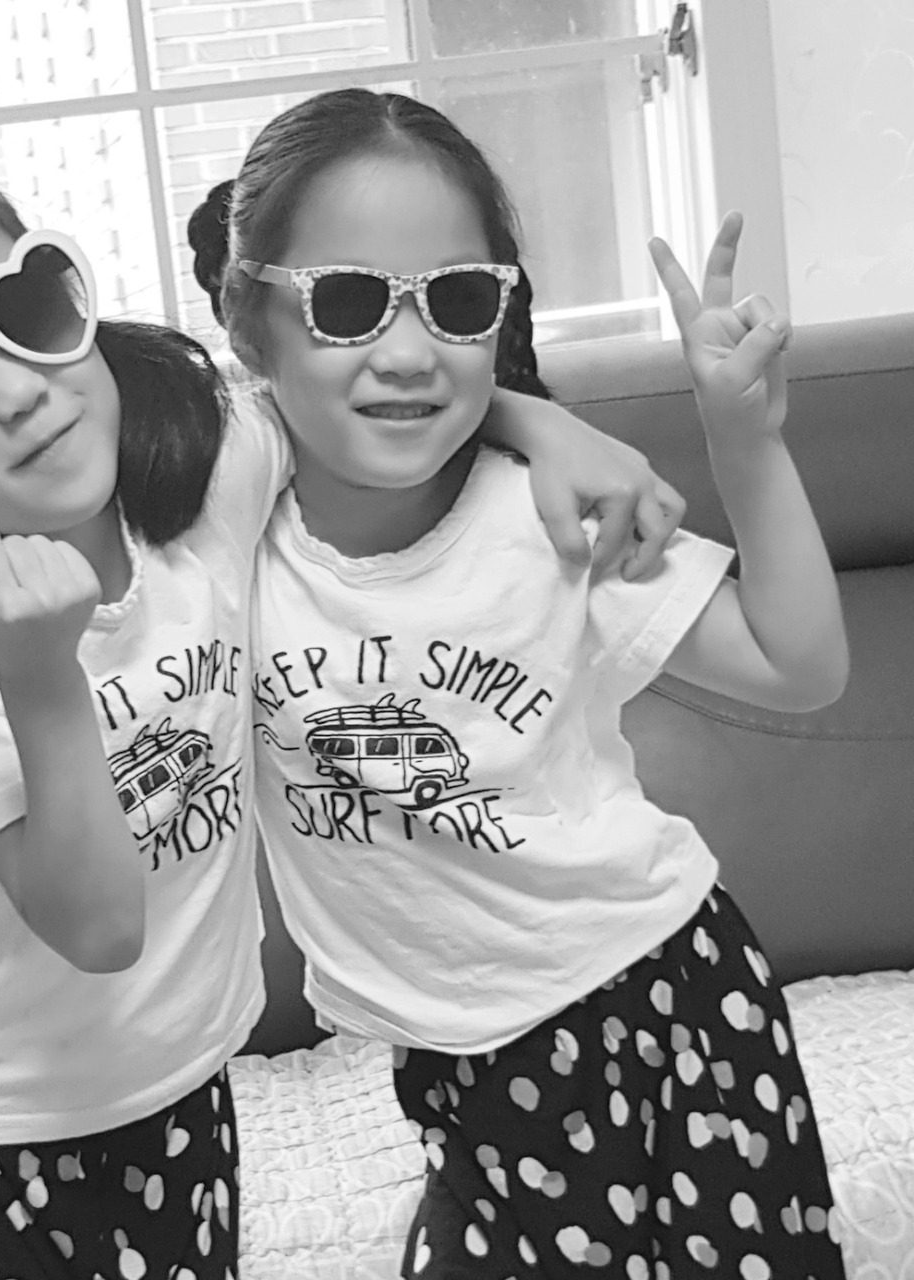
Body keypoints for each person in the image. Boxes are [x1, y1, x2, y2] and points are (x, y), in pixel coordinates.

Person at [0, 150, 678, 1280]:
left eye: (26, 312)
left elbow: (354, 399)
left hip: (183, 1102)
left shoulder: (208, 484)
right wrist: (35, 672)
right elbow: (100, 930)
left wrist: (543, 424)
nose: (21, 390)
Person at [189, 88, 849, 1277]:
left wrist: (740, 437)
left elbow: (797, 665)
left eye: (455, 300)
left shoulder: (548, 517)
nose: (405, 352)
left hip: (663, 1004)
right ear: (247, 317)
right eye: (345, 301)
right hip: (456, 1062)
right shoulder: (224, 532)